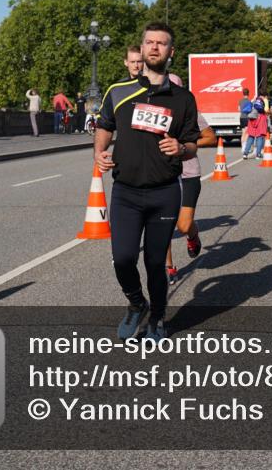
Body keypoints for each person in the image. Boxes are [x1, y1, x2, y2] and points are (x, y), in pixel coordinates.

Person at [94, 22, 200, 340]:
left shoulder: (183, 98)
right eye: (149, 42)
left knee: (155, 262)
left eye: (161, 43)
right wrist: (99, 152)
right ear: (141, 49)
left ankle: (157, 315)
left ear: (171, 51)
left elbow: (193, 143)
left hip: (164, 192)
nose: (154, 47)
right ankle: (136, 303)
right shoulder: (118, 91)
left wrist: (181, 149)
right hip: (125, 192)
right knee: (123, 258)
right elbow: (105, 125)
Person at [164, 74, 217, 284]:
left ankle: (192, 236)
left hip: (188, 174)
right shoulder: (154, 113)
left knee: (183, 225)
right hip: (162, 174)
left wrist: (185, 146)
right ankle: (169, 267)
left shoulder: (190, 113)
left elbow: (211, 137)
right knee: (163, 224)